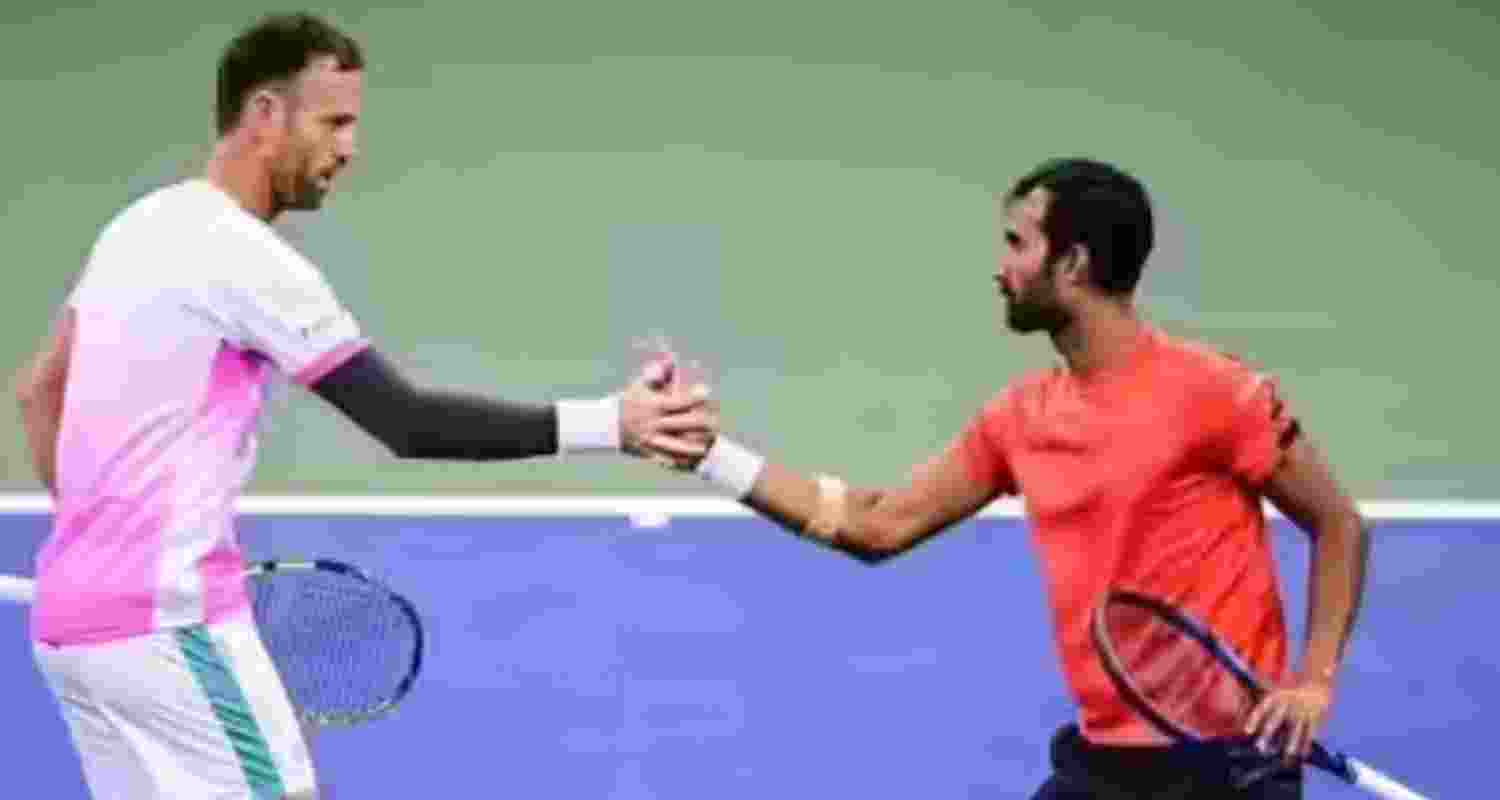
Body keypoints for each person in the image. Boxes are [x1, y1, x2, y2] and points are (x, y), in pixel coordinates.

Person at [11, 13, 711, 800]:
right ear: (267, 114)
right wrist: (609, 424)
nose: (349, 148)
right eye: (334, 121)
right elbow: (405, 422)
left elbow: (40, 390)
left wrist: (99, 543)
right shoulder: (246, 260)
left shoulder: (140, 226)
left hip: (72, 630)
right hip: (172, 626)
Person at [670, 158, 1370, 798]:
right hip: (1104, 763)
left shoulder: (1216, 392)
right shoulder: (1020, 417)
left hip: (1227, 765)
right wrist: (710, 454)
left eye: (1016, 243)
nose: (1000, 266)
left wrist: (1313, 681)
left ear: (1071, 262)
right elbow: (877, 523)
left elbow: (1338, 523)